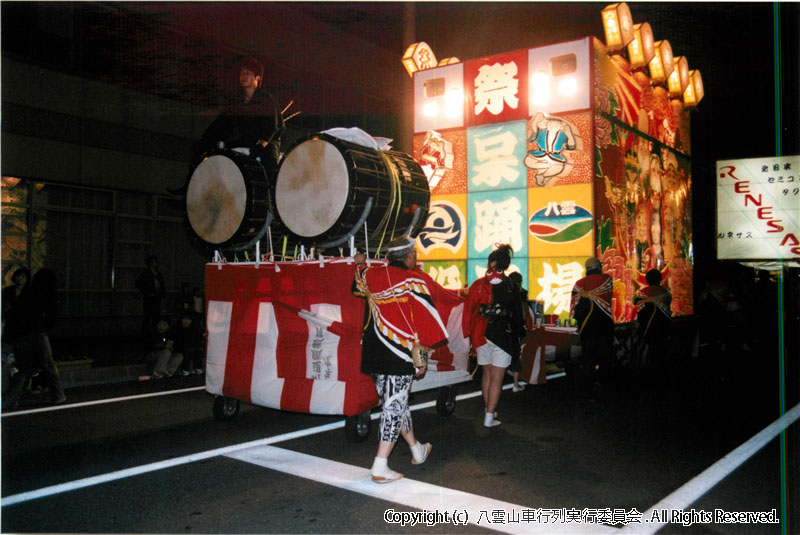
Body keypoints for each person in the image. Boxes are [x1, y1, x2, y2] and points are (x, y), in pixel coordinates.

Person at [352, 236, 453, 483]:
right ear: (408, 257)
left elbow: (357, 281)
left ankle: (416, 449)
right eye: (415, 255)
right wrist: (421, 360)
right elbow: (425, 325)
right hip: (399, 355)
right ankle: (380, 465)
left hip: (374, 354)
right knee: (394, 406)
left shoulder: (370, 275)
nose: (415, 259)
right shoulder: (414, 281)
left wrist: (359, 262)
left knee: (394, 402)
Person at [463, 244, 525, 427]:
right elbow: (517, 317)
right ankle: (489, 416)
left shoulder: (477, 285)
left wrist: (469, 335)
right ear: (506, 265)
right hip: (502, 337)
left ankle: (488, 409)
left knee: (487, 375)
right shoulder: (512, 287)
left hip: (481, 336)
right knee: (497, 378)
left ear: (490, 263)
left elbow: (469, 311)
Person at [2, 268, 66, 409]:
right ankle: (58, 394)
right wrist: (41, 326)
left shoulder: (27, 293)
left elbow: (14, 316)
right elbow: (51, 318)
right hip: (37, 334)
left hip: (21, 335)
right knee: (47, 365)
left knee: (24, 368)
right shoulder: (48, 294)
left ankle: (10, 400)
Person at [569, 257, 614, 398]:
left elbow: (575, 309)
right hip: (604, 327)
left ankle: (588, 390)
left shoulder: (578, 284)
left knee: (588, 358)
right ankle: (603, 385)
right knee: (605, 357)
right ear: (599, 267)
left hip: (587, 329)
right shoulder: (607, 279)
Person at [632, 269, 672, 369]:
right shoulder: (666, 294)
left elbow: (635, 303)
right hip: (663, 329)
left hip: (647, 330)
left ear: (647, 280)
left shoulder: (642, 293)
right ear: (660, 279)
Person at [506, 271, 529, 392]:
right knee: (515, 353)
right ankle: (516, 384)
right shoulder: (522, 293)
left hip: (504, 327)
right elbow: (524, 314)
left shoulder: (504, 293)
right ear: (520, 282)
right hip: (516, 327)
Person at [136, 255, 166, 335]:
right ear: (151, 263)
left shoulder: (158, 274)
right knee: (147, 317)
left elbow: (162, 286)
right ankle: (145, 334)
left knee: (156, 317)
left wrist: (163, 296)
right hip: (149, 299)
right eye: (155, 262)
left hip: (157, 299)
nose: (157, 264)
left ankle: (154, 333)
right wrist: (146, 292)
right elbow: (138, 283)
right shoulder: (146, 273)